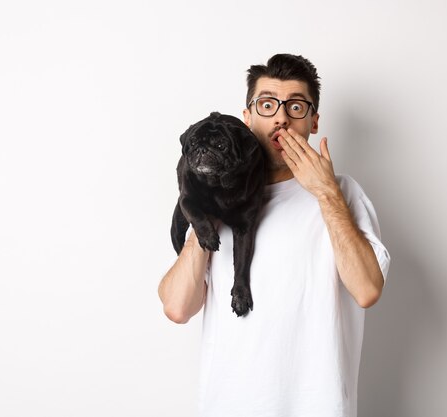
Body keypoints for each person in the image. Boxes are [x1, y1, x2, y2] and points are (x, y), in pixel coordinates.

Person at [159, 53, 390, 417]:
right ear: (248, 117)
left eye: (296, 107)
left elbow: (366, 290)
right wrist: (207, 209)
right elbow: (177, 307)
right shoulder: (212, 196)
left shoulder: (342, 193)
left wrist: (325, 193)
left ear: (313, 122)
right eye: (267, 104)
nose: (280, 117)